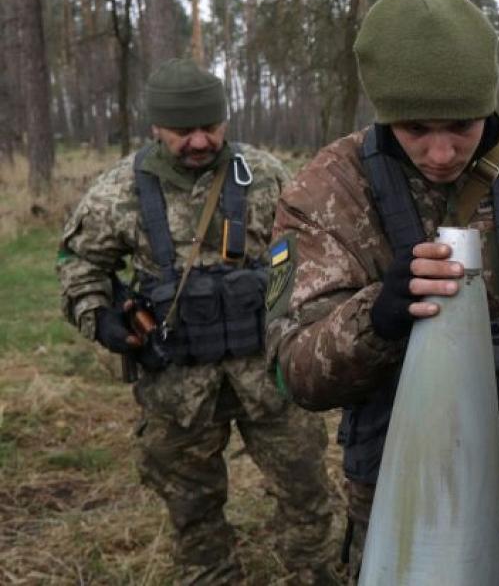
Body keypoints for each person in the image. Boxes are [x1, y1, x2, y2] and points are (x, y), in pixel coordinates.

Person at [265, 0, 499, 583]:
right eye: (416, 128)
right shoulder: (326, 195)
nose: (441, 153)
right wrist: (377, 315)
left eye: (461, 127)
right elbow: (294, 372)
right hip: (409, 523)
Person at [57, 59, 339, 585]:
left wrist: (296, 319)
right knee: (192, 511)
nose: (199, 141)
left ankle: (316, 573)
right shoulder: (120, 191)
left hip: (270, 377)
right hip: (177, 386)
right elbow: (78, 264)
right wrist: (100, 318)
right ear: (156, 128)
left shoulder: (266, 175)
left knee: (306, 494)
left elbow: (309, 253)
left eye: (210, 127)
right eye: (183, 131)